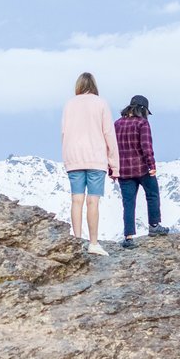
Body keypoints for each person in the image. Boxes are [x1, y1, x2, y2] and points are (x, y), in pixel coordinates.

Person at [61, 73, 120, 257]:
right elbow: (109, 133)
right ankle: (93, 243)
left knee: (76, 200)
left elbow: (64, 132)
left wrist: (67, 156)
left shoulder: (70, 104)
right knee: (93, 201)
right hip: (96, 157)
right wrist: (114, 164)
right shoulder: (101, 103)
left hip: (74, 157)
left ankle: (77, 241)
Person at [114, 95, 171, 248]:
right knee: (152, 194)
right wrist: (152, 165)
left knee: (128, 203)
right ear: (143, 109)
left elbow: (112, 149)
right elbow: (147, 147)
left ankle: (128, 237)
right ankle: (154, 226)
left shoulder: (117, 124)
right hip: (142, 168)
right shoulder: (142, 123)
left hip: (124, 170)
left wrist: (112, 168)